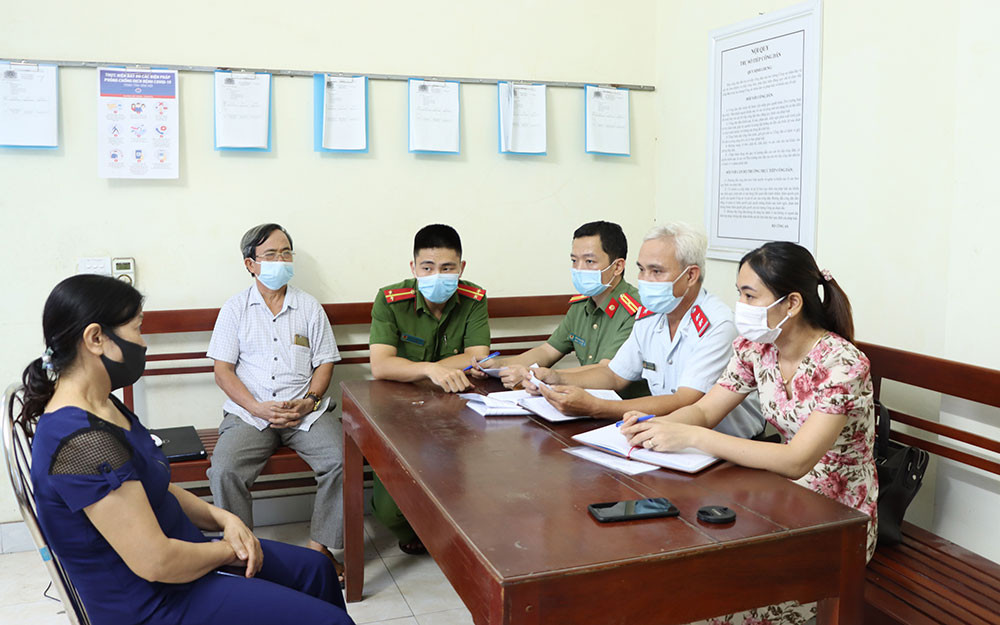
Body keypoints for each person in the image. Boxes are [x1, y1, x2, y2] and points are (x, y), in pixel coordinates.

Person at [19, 274, 354, 625]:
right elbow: (156, 562)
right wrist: (227, 550)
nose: (143, 343)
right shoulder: (81, 441)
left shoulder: (104, 406)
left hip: (184, 561)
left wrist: (225, 519)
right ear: (96, 338)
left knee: (316, 570)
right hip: (155, 602)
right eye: (137, 329)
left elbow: (156, 486)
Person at [622, 241, 878, 625]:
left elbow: (796, 460)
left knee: (721, 604)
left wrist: (692, 437)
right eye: (739, 293)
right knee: (682, 572)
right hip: (780, 495)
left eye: (749, 295)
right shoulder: (756, 348)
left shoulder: (843, 364)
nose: (740, 304)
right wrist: (657, 424)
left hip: (838, 516)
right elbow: (706, 410)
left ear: (792, 304)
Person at [527, 223, 763, 439]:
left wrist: (596, 407)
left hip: (725, 445)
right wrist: (555, 379)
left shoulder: (717, 324)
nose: (645, 280)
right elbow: (614, 375)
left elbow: (685, 400)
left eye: (656, 271)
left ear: (691, 275)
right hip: (664, 435)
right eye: (641, 269)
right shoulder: (650, 314)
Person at [206, 223, 346, 583]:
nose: (280, 260)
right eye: (271, 254)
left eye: (286, 253)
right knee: (225, 470)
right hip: (250, 414)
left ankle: (319, 551)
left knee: (341, 459)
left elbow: (324, 363)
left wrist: (309, 401)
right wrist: (256, 407)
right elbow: (223, 372)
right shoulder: (235, 309)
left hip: (304, 413)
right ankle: (241, 553)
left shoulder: (309, 307)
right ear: (250, 264)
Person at [368, 223, 490, 553]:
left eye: (447, 268)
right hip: (399, 410)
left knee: (476, 485)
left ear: (461, 268)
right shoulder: (391, 300)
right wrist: (429, 369)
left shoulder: (474, 298)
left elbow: (479, 356)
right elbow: (381, 365)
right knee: (392, 513)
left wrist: (413, 369)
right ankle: (420, 533)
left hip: (456, 410)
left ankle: (452, 534)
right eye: (428, 267)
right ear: (413, 268)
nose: (437, 275)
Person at [472, 221, 645, 396]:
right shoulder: (581, 306)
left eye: (589, 261)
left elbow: (607, 371)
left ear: (617, 267)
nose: (579, 269)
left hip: (624, 405)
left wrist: (542, 376)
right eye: (574, 260)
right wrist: (500, 365)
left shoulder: (636, 310)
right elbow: (548, 351)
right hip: (583, 400)